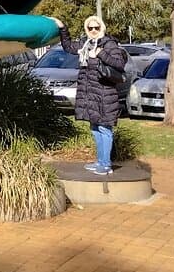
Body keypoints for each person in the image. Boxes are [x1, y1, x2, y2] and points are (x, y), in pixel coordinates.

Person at [51, 15, 127, 176]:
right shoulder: (86, 44)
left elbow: (119, 63)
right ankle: (100, 161)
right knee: (94, 129)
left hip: (105, 94)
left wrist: (100, 54)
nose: (93, 30)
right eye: (90, 28)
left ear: (102, 28)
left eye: (96, 27)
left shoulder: (108, 44)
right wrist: (62, 27)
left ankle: (106, 165)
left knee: (105, 129)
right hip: (90, 94)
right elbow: (68, 46)